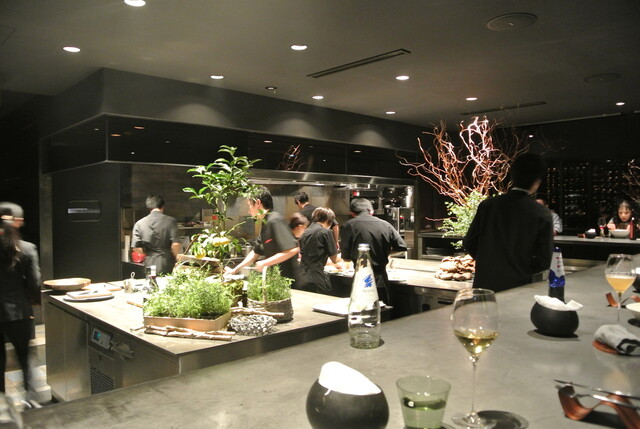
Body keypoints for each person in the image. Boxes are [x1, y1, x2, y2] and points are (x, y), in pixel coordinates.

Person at [464, 153, 554, 292]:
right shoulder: (541, 213)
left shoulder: (488, 206)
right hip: (518, 286)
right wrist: (522, 268)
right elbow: (544, 260)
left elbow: (469, 242)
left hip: (484, 285)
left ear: (512, 177)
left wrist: (486, 262)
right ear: (537, 181)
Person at [0, 202, 41, 399]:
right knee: (24, 358)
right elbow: (35, 283)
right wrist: (32, 300)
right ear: (17, 221)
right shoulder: (27, 248)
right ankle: (30, 399)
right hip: (18, 312)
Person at [226, 186, 300, 285]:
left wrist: (265, 262)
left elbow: (293, 249)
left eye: (249, 205)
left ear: (258, 203)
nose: (249, 211)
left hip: (292, 282)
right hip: (279, 282)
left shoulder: (275, 219)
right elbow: (255, 252)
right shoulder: (265, 223)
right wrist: (234, 270)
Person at [340, 198, 407, 303]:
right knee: (382, 308)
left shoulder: (348, 226)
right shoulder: (385, 224)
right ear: (371, 211)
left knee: (360, 308)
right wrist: (385, 253)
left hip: (359, 278)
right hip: (380, 279)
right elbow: (402, 247)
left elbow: (346, 258)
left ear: (352, 213)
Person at [131, 195, 181, 275]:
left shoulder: (139, 223)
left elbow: (135, 247)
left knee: (151, 281)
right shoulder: (171, 221)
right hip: (167, 262)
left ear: (149, 207)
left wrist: (149, 253)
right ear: (162, 206)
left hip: (149, 262)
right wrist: (178, 258)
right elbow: (175, 244)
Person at [299, 207, 343, 293]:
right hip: (317, 277)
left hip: (302, 275)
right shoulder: (325, 232)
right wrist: (345, 257)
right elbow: (334, 259)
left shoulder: (305, 232)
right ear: (327, 220)